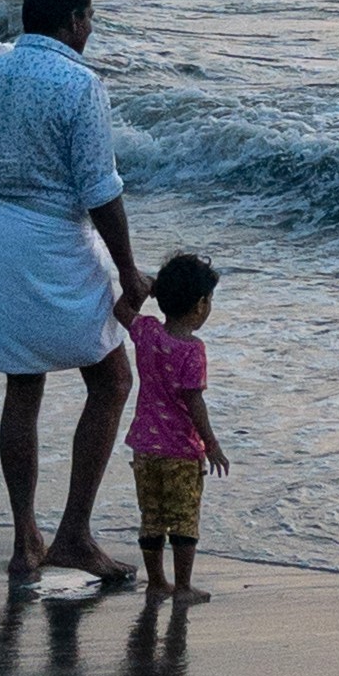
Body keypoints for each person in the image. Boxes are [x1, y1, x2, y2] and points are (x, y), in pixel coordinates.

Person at [0, 0, 152, 582]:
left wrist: (3, 239)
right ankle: (73, 534)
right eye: (90, 15)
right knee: (112, 380)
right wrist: (128, 270)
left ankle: (26, 541)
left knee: (24, 386)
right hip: (59, 241)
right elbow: (101, 189)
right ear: (74, 20)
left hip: (2, 237)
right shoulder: (79, 83)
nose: (91, 27)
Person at [127, 251, 229, 600]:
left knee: (151, 516)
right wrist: (211, 444)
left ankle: (157, 583)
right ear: (200, 305)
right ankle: (182, 586)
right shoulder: (192, 350)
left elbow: (120, 311)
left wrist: (147, 289)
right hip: (181, 451)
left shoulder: (148, 331)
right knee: (183, 519)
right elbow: (193, 402)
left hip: (144, 447)